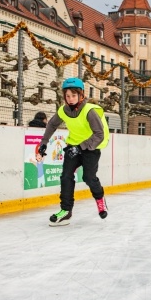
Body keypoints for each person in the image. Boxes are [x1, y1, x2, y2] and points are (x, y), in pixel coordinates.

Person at [38, 77, 110, 226]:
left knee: (89, 178)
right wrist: (43, 143)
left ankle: (100, 199)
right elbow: (51, 124)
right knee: (65, 176)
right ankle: (66, 211)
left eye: (74, 95)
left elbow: (99, 134)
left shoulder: (89, 111)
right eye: (67, 96)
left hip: (91, 147)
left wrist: (81, 147)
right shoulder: (63, 110)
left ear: (81, 95)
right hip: (73, 146)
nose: (70, 99)